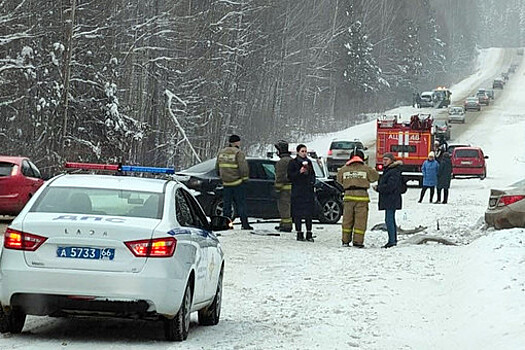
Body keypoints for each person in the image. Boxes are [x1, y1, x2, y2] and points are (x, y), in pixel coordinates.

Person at [336, 148, 379, 248]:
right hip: (362, 197)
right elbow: (375, 177)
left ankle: (345, 241)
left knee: (347, 220)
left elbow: (339, 180)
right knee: (360, 221)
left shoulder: (344, 169)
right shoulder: (366, 169)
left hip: (348, 197)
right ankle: (358, 242)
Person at [215, 134, 252, 230]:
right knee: (241, 204)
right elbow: (243, 168)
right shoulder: (238, 153)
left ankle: (226, 224)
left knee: (227, 205)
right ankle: (245, 224)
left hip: (226, 183)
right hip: (237, 183)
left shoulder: (221, 152)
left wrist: (221, 176)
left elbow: (217, 167)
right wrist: (245, 179)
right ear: (236, 142)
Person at [287, 144, 316, 242]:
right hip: (298, 191)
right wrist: (299, 172)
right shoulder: (293, 163)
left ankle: (309, 233)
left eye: (305, 151)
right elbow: (290, 177)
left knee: (308, 214)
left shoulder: (309, 162)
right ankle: (299, 232)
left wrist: (312, 182)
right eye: (302, 151)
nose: (304, 153)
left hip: (308, 191)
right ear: (298, 152)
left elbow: (313, 175)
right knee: (297, 213)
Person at [374, 153, 403, 248]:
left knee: (389, 219)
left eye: (386, 159)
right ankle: (392, 239)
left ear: (391, 160)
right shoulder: (389, 170)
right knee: (390, 219)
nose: (384, 161)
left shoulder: (393, 171)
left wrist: (379, 188)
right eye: (383, 160)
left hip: (391, 198)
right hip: (390, 199)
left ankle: (392, 240)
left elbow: (391, 186)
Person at [274, 140, 293, 232]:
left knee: (284, 207)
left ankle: (286, 226)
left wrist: (277, 189)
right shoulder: (292, 160)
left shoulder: (281, 162)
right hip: (292, 188)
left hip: (284, 190)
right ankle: (283, 223)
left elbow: (280, 177)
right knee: (288, 207)